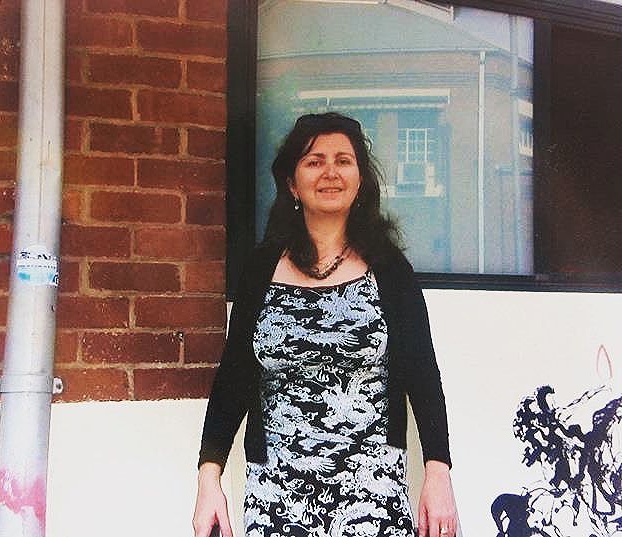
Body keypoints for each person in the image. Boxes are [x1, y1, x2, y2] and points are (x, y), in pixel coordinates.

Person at [193, 112, 457, 537]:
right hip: (277, 496)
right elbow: (233, 378)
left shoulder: (389, 270)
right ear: (292, 183)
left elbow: (423, 376)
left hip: (373, 493)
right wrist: (209, 478)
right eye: (314, 161)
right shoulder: (261, 269)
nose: (330, 172)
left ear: (360, 180)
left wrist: (438, 472)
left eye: (343, 160)